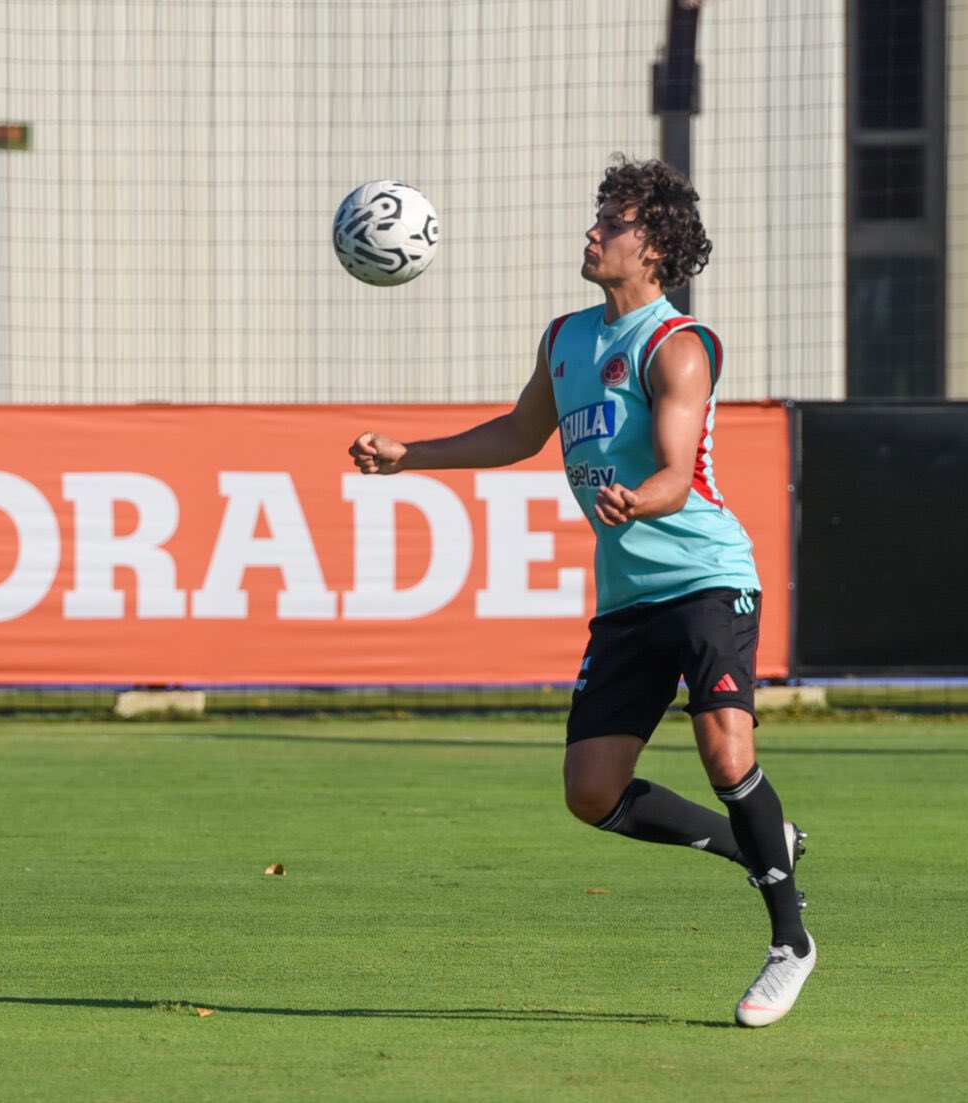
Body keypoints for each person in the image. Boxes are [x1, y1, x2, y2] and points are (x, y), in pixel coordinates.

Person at [349, 155, 814, 1027]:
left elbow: (679, 471)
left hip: (708, 576)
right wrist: (413, 455)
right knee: (591, 791)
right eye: (599, 214)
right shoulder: (565, 337)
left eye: (616, 220)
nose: (594, 229)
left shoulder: (677, 345)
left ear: (657, 248)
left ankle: (789, 940)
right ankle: (761, 845)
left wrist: (640, 498)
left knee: (726, 754)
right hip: (629, 595)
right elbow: (522, 433)